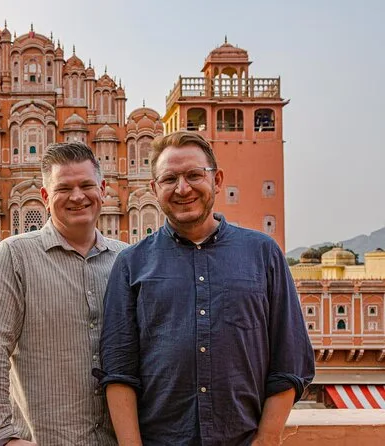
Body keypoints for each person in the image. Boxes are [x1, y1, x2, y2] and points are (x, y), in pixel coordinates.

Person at [98, 130, 315, 446]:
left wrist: (266, 439)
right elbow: (119, 370)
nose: (182, 188)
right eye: (170, 179)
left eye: (194, 175)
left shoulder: (262, 254)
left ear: (217, 180)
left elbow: (290, 360)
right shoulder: (133, 263)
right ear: (154, 189)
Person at [0, 142, 128, 446]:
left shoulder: (126, 260)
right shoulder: (16, 256)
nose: (77, 196)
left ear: (102, 189)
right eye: (64, 188)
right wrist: (1, 437)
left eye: (86, 185)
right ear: (45, 197)